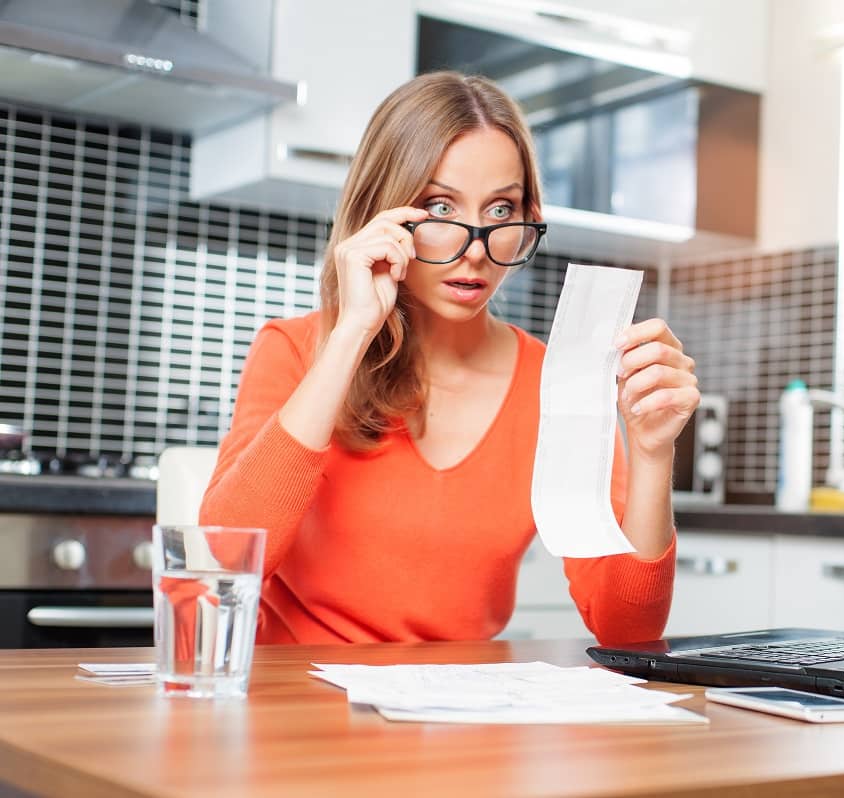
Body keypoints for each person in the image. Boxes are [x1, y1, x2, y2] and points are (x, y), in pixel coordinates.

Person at [198, 72, 700, 646]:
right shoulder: (295, 349)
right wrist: (351, 334)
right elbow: (222, 563)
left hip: (461, 716)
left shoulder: (550, 383)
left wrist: (653, 453)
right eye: (439, 205)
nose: (476, 249)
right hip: (299, 710)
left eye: (502, 210)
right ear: (383, 213)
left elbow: (626, 627)